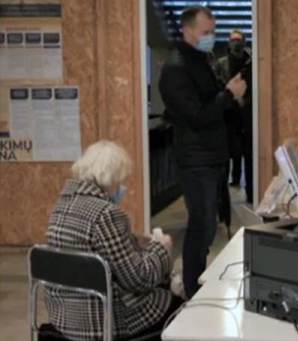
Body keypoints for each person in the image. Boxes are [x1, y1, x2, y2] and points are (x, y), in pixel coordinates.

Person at [45, 140, 182, 340]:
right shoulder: (106, 213)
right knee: (176, 304)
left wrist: (132, 239)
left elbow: (90, 245)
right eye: (119, 180)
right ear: (109, 178)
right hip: (103, 320)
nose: (121, 187)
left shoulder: (62, 206)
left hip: (65, 317)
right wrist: (160, 247)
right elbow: (139, 279)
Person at [159, 6, 246, 298]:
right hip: (196, 160)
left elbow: (213, 103)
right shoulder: (176, 68)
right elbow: (197, 115)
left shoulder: (202, 61)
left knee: (209, 226)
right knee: (201, 226)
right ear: (187, 31)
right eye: (205, 32)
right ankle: (192, 289)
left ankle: (197, 281)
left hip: (213, 156)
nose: (212, 37)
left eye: (213, 31)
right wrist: (229, 96)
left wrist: (230, 97)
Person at [215, 29, 254, 204]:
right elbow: (217, 85)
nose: (236, 43)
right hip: (228, 114)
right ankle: (232, 182)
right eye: (233, 40)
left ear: (244, 42)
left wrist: (245, 100)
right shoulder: (222, 63)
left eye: (239, 40)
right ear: (229, 43)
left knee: (248, 152)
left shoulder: (251, 62)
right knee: (231, 151)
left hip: (247, 113)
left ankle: (251, 191)